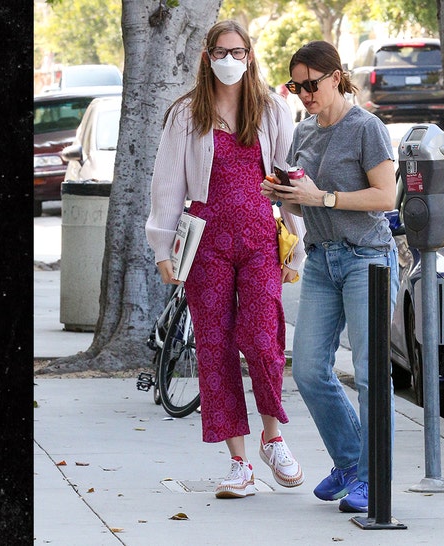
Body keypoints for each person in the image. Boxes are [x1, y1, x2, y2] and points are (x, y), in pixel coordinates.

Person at [145, 20, 306, 499]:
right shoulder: (185, 115)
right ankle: (238, 464)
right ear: (207, 56)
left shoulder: (273, 110)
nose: (230, 60)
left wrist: (294, 244)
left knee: (261, 339)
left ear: (250, 56)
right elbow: (167, 184)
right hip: (205, 240)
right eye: (221, 51)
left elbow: (288, 180)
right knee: (214, 349)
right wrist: (162, 249)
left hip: (259, 234)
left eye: (238, 52)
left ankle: (272, 438)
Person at [261, 40, 399, 513]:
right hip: (321, 259)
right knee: (309, 369)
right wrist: (281, 194)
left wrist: (326, 199)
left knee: (369, 373)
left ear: (336, 76)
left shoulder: (367, 128)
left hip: (368, 259)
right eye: (296, 86)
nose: (304, 94)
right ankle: (351, 463)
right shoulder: (303, 133)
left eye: (311, 84)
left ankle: (373, 479)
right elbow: (302, 200)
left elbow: (386, 197)